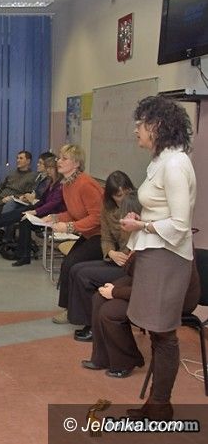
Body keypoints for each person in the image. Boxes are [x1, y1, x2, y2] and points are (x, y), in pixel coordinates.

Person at [119, 96, 196, 420]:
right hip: (155, 254)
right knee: (156, 331)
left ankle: (160, 405)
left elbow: (179, 224)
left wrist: (141, 225)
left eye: (141, 123)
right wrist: (143, 217)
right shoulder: (163, 160)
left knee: (163, 333)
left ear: (158, 126)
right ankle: (156, 402)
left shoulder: (175, 164)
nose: (136, 129)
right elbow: (162, 209)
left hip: (168, 256)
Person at [83, 254, 199, 379]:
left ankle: (126, 361)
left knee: (110, 312)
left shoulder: (171, 251)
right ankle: (102, 357)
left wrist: (115, 292)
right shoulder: (150, 247)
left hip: (168, 299)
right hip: (148, 284)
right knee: (99, 297)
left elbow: (152, 288)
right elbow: (131, 269)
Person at [66, 172, 136, 341]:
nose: (123, 198)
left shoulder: (138, 208)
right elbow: (106, 238)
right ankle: (86, 320)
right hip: (117, 258)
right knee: (75, 269)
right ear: (111, 196)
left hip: (131, 264)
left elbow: (139, 240)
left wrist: (126, 255)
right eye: (119, 195)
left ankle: (92, 326)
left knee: (84, 275)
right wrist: (111, 253)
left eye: (126, 193)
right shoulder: (107, 209)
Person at [40, 145, 104, 324]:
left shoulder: (86, 184)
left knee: (71, 264)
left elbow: (97, 217)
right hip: (89, 233)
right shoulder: (67, 184)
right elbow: (75, 212)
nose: (58, 161)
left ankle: (71, 310)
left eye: (64, 158)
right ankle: (70, 308)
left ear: (76, 164)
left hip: (103, 236)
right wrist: (55, 217)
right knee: (69, 264)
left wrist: (69, 227)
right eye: (59, 157)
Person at [10, 155, 65, 266]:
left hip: (54, 215)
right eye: (47, 168)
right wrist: (34, 208)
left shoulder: (60, 185)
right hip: (45, 212)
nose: (48, 171)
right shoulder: (50, 182)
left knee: (25, 220)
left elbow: (52, 204)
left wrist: (36, 211)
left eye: (51, 168)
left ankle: (24, 256)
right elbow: (43, 200)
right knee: (24, 212)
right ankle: (21, 253)